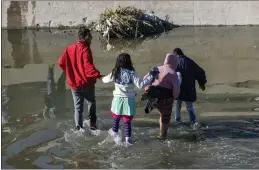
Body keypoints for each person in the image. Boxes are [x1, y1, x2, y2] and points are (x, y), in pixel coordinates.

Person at [102, 53, 156, 145]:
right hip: (128, 100)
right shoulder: (132, 73)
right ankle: (128, 141)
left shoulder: (115, 72)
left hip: (117, 100)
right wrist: (151, 75)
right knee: (127, 122)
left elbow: (105, 80)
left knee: (116, 119)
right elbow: (140, 85)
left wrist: (102, 77)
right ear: (129, 61)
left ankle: (115, 137)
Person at [58, 26, 102, 131]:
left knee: (78, 108)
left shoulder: (69, 49)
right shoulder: (86, 49)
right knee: (91, 102)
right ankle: (92, 124)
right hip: (87, 84)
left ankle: (78, 128)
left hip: (74, 85)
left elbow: (61, 63)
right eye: (90, 36)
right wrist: (99, 75)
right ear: (84, 37)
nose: (91, 38)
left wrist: (69, 71)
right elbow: (88, 67)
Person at [141, 54, 180, 138]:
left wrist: (146, 87)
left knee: (160, 112)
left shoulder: (156, 68)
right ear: (175, 63)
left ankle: (151, 97)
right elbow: (176, 89)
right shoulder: (173, 73)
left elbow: (145, 79)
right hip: (166, 98)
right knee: (165, 117)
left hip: (154, 91)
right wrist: (174, 97)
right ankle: (162, 135)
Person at [173, 48, 207, 128]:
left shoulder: (175, 63)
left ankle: (177, 122)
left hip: (178, 89)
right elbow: (200, 72)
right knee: (189, 106)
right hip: (189, 88)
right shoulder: (190, 62)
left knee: (178, 105)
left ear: (175, 55)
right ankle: (193, 121)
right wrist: (201, 83)